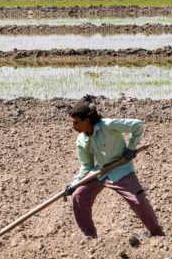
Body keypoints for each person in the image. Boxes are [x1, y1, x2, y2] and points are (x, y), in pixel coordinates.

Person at [63, 96, 164, 238]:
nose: (73, 126)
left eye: (76, 122)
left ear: (87, 120)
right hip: (100, 172)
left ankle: (157, 234)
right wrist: (74, 184)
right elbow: (86, 166)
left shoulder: (108, 125)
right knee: (79, 195)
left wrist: (131, 148)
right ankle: (90, 237)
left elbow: (137, 125)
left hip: (120, 169)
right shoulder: (81, 140)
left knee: (138, 201)